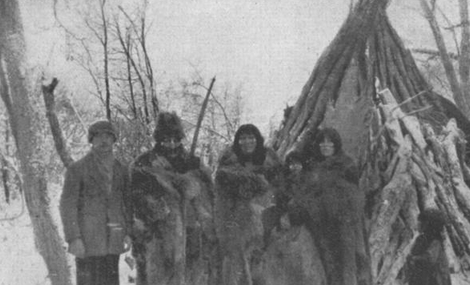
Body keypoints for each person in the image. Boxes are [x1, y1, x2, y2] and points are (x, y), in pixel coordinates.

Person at [129, 111, 214, 285]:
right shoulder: (144, 163)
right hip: (157, 236)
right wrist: (154, 207)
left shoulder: (193, 163)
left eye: (175, 140)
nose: (172, 145)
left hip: (192, 236)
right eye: (166, 140)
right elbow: (133, 197)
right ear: (159, 140)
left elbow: (209, 198)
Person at [288, 127, 372, 285]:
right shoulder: (313, 168)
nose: (325, 145)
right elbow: (307, 194)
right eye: (322, 142)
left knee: (350, 262)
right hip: (324, 225)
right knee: (329, 264)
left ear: (336, 144)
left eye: (330, 142)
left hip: (346, 224)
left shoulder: (347, 165)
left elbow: (355, 194)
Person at [60, 120, 131, 285]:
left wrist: (127, 232)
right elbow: (68, 206)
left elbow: (127, 204)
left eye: (108, 136)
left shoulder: (122, 169)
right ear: (91, 140)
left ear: (114, 140)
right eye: (98, 136)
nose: (104, 140)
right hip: (87, 243)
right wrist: (74, 238)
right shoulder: (77, 169)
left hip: (113, 240)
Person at [214, 123, 282, 285]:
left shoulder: (271, 162)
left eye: (251, 138)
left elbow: (281, 189)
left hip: (268, 221)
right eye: (242, 138)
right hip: (240, 223)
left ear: (257, 139)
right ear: (237, 142)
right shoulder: (227, 168)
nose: (247, 142)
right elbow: (221, 199)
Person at [408, 208, 452, 285]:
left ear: (427, 225)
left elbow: (430, 258)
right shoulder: (421, 239)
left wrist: (415, 259)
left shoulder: (435, 242)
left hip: (435, 278)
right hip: (424, 275)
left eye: (420, 222)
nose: (417, 224)